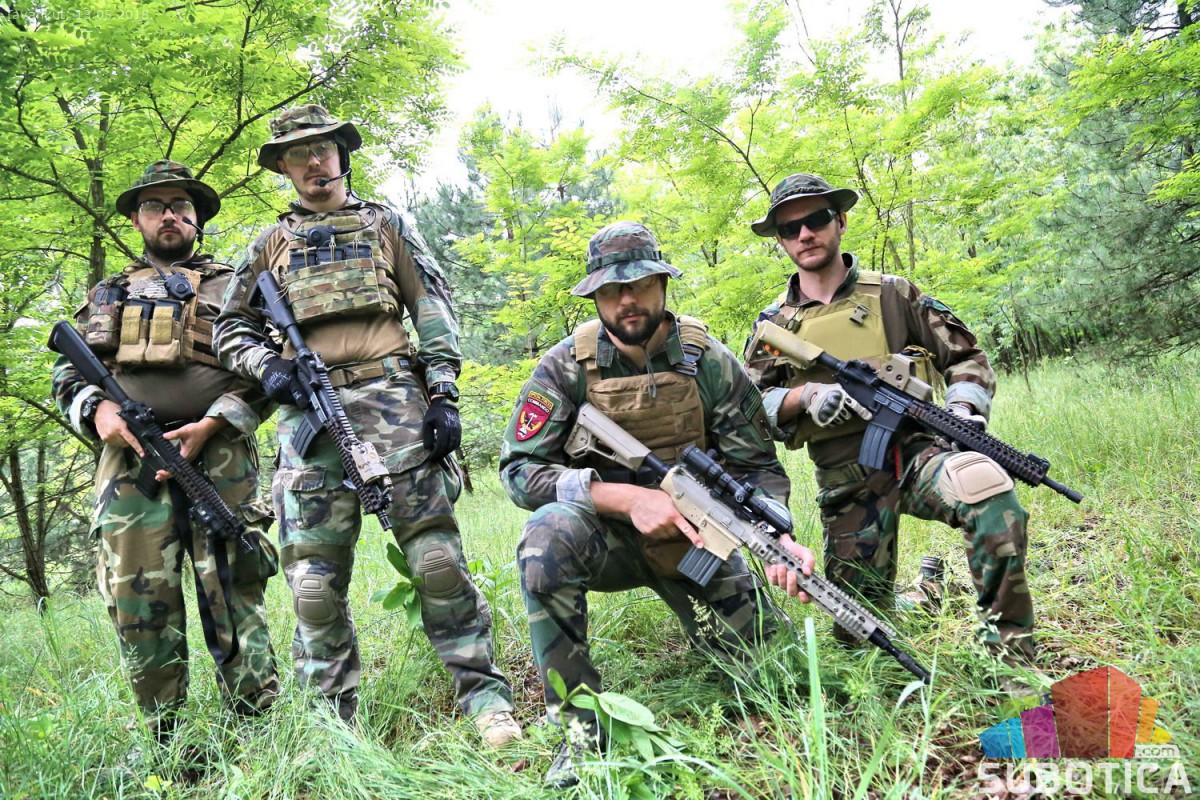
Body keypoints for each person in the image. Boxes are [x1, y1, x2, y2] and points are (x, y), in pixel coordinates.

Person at [213, 105, 518, 743]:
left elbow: (431, 306)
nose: (314, 162)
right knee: (313, 584)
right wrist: (270, 368)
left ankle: (486, 700)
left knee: (436, 560)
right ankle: (333, 728)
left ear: (341, 154)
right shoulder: (268, 245)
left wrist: (443, 392)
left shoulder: (386, 225)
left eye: (323, 149)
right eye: (299, 154)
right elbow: (231, 327)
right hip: (308, 419)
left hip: (395, 404)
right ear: (283, 167)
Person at [499, 221, 816, 787]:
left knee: (779, 675)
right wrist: (621, 497)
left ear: (663, 284)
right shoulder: (566, 366)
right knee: (545, 539)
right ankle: (581, 732)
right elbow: (519, 471)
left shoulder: (710, 362)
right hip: (606, 540)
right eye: (611, 289)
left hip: (696, 540)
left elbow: (757, 467)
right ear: (594, 296)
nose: (627, 299)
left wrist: (778, 535)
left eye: (641, 284)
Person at [743, 173, 1039, 688]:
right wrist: (803, 397)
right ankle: (926, 591)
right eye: (790, 228)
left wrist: (965, 409)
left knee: (986, 488)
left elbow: (966, 358)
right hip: (846, 483)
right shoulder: (774, 328)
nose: (805, 234)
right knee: (859, 635)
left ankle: (1012, 663)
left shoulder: (893, 294)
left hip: (917, 455)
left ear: (840, 220)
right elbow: (746, 410)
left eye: (816, 220)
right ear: (780, 241)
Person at [51, 161, 280, 744]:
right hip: (130, 464)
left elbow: (270, 370)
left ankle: (259, 729)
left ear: (197, 217)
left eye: (181, 205)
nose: (169, 215)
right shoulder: (109, 293)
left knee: (234, 588)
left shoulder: (238, 285)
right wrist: (97, 412)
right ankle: (169, 743)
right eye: (155, 207)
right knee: (138, 600)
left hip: (220, 456)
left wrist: (216, 421)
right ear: (137, 220)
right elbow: (68, 373)